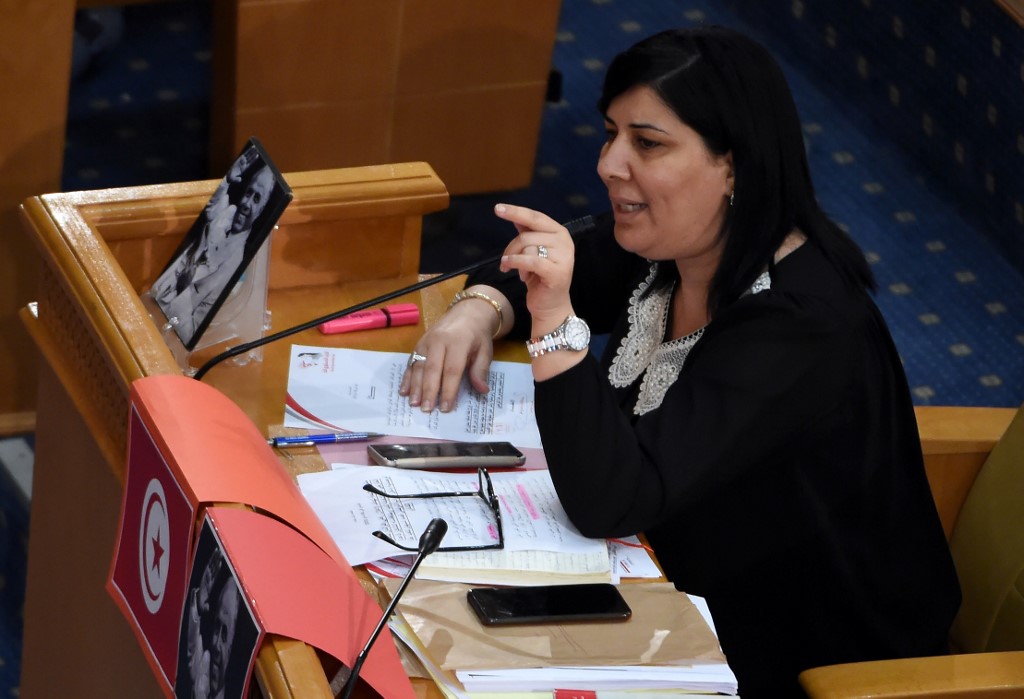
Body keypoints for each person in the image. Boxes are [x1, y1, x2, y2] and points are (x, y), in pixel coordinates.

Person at [400, 26, 960, 696]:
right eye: (611, 133)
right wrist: (482, 306)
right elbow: (561, 255)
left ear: (734, 165)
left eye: (648, 143)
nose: (610, 163)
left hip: (804, 657)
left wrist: (554, 326)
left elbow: (612, 497)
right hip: (670, 574)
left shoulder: (801, 329)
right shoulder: (680, 239)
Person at [151, 159, 274, 343]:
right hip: (154, 298)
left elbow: (189, 331)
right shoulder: (228, 212)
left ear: (261, 210)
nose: (247, 203)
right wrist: (228, 181)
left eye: (256, 199)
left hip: (169, 330)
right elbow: (213, 207)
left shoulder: (235, 265)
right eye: (248, 193)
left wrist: (184, 288)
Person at [179, 551, 241, 699]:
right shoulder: (205, 667)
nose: (215, 643)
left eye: (225, 635)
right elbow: (192, 651)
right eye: (216, 628)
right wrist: (199, 605)